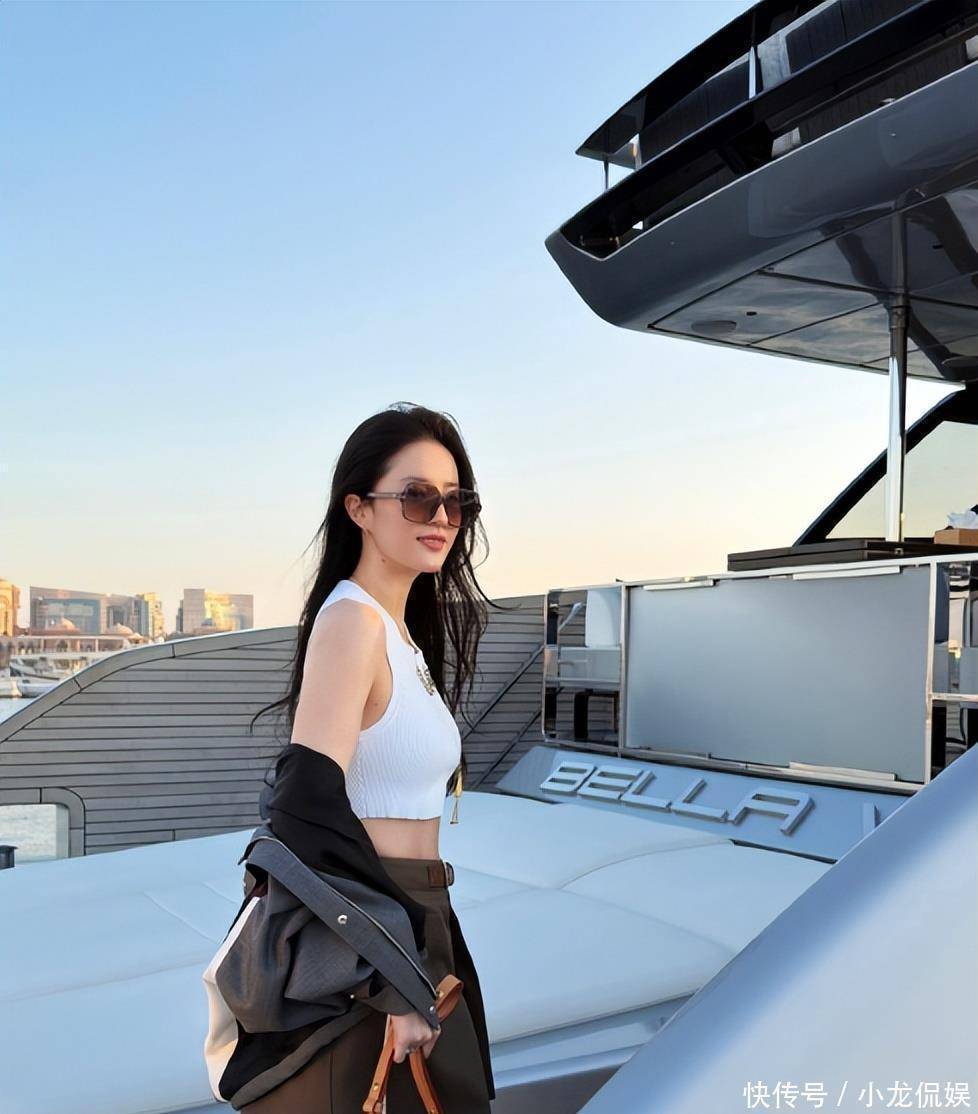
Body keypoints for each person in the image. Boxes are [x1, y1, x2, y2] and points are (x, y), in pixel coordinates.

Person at [240, 402, 496, 1112]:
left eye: (456, 501)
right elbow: (304, 807)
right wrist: (391, 974)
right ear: (358, 508)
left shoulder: (399, 632)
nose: (441, 517)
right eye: (417, 496)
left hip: (419, 911)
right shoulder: (353, 621)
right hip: (376, 925)